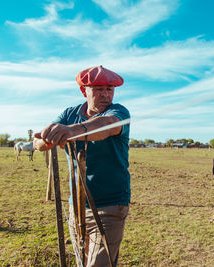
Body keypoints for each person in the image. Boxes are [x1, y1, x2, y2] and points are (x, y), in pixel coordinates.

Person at [33, 65, 131, 267]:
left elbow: (105, 126)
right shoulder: (70, 114)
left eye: (109, 90)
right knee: (81, 261)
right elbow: (39, 143)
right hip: (76, 204)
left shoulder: (118, 112)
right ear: (84, 91)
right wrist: (47, 139)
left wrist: (70, 131)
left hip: (110, 205)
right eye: (98, 89)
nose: (105, 94)